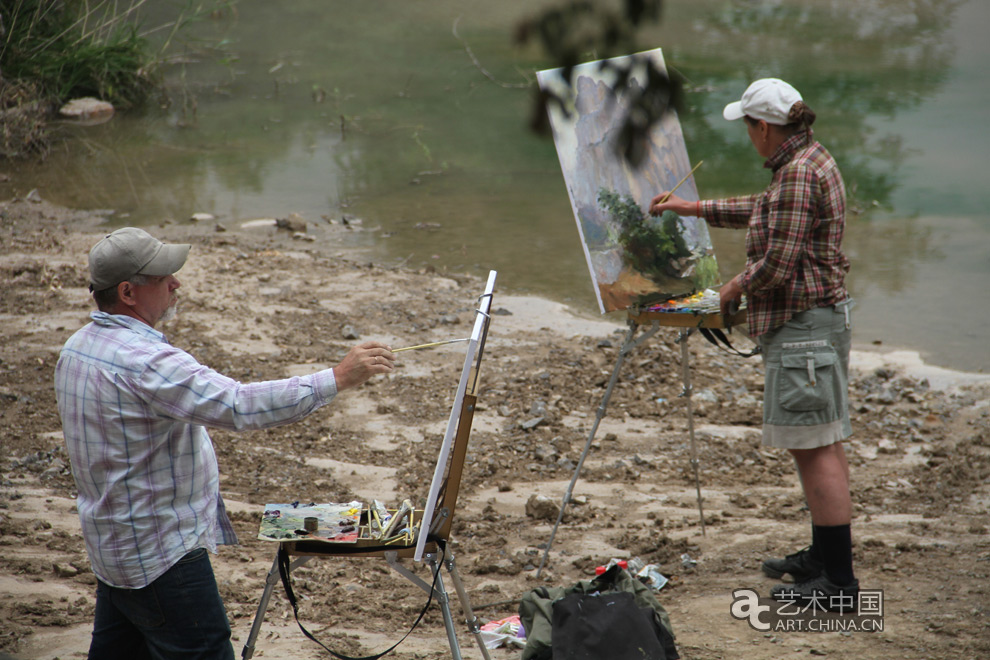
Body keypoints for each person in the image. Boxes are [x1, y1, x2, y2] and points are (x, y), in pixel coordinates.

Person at [54, 227, 396, 658]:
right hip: (161, 556)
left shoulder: (77, 348)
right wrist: (337, 378)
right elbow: (238, 405)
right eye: (163, 278)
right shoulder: (147, 361)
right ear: (127, 292)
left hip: (113, 547)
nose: (176, 283)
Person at [649, 78, 857, 608]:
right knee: (817, 442)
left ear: (763, 127)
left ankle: (838, 583)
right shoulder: (808, 158)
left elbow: (777, 266)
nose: (748, 136)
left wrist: (726, 292)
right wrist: (692, 210)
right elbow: (762, 209)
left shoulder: (797, 174)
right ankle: (821, 556)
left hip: (805, 328)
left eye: (747, 126)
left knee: (816, 448)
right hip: (816, 324)